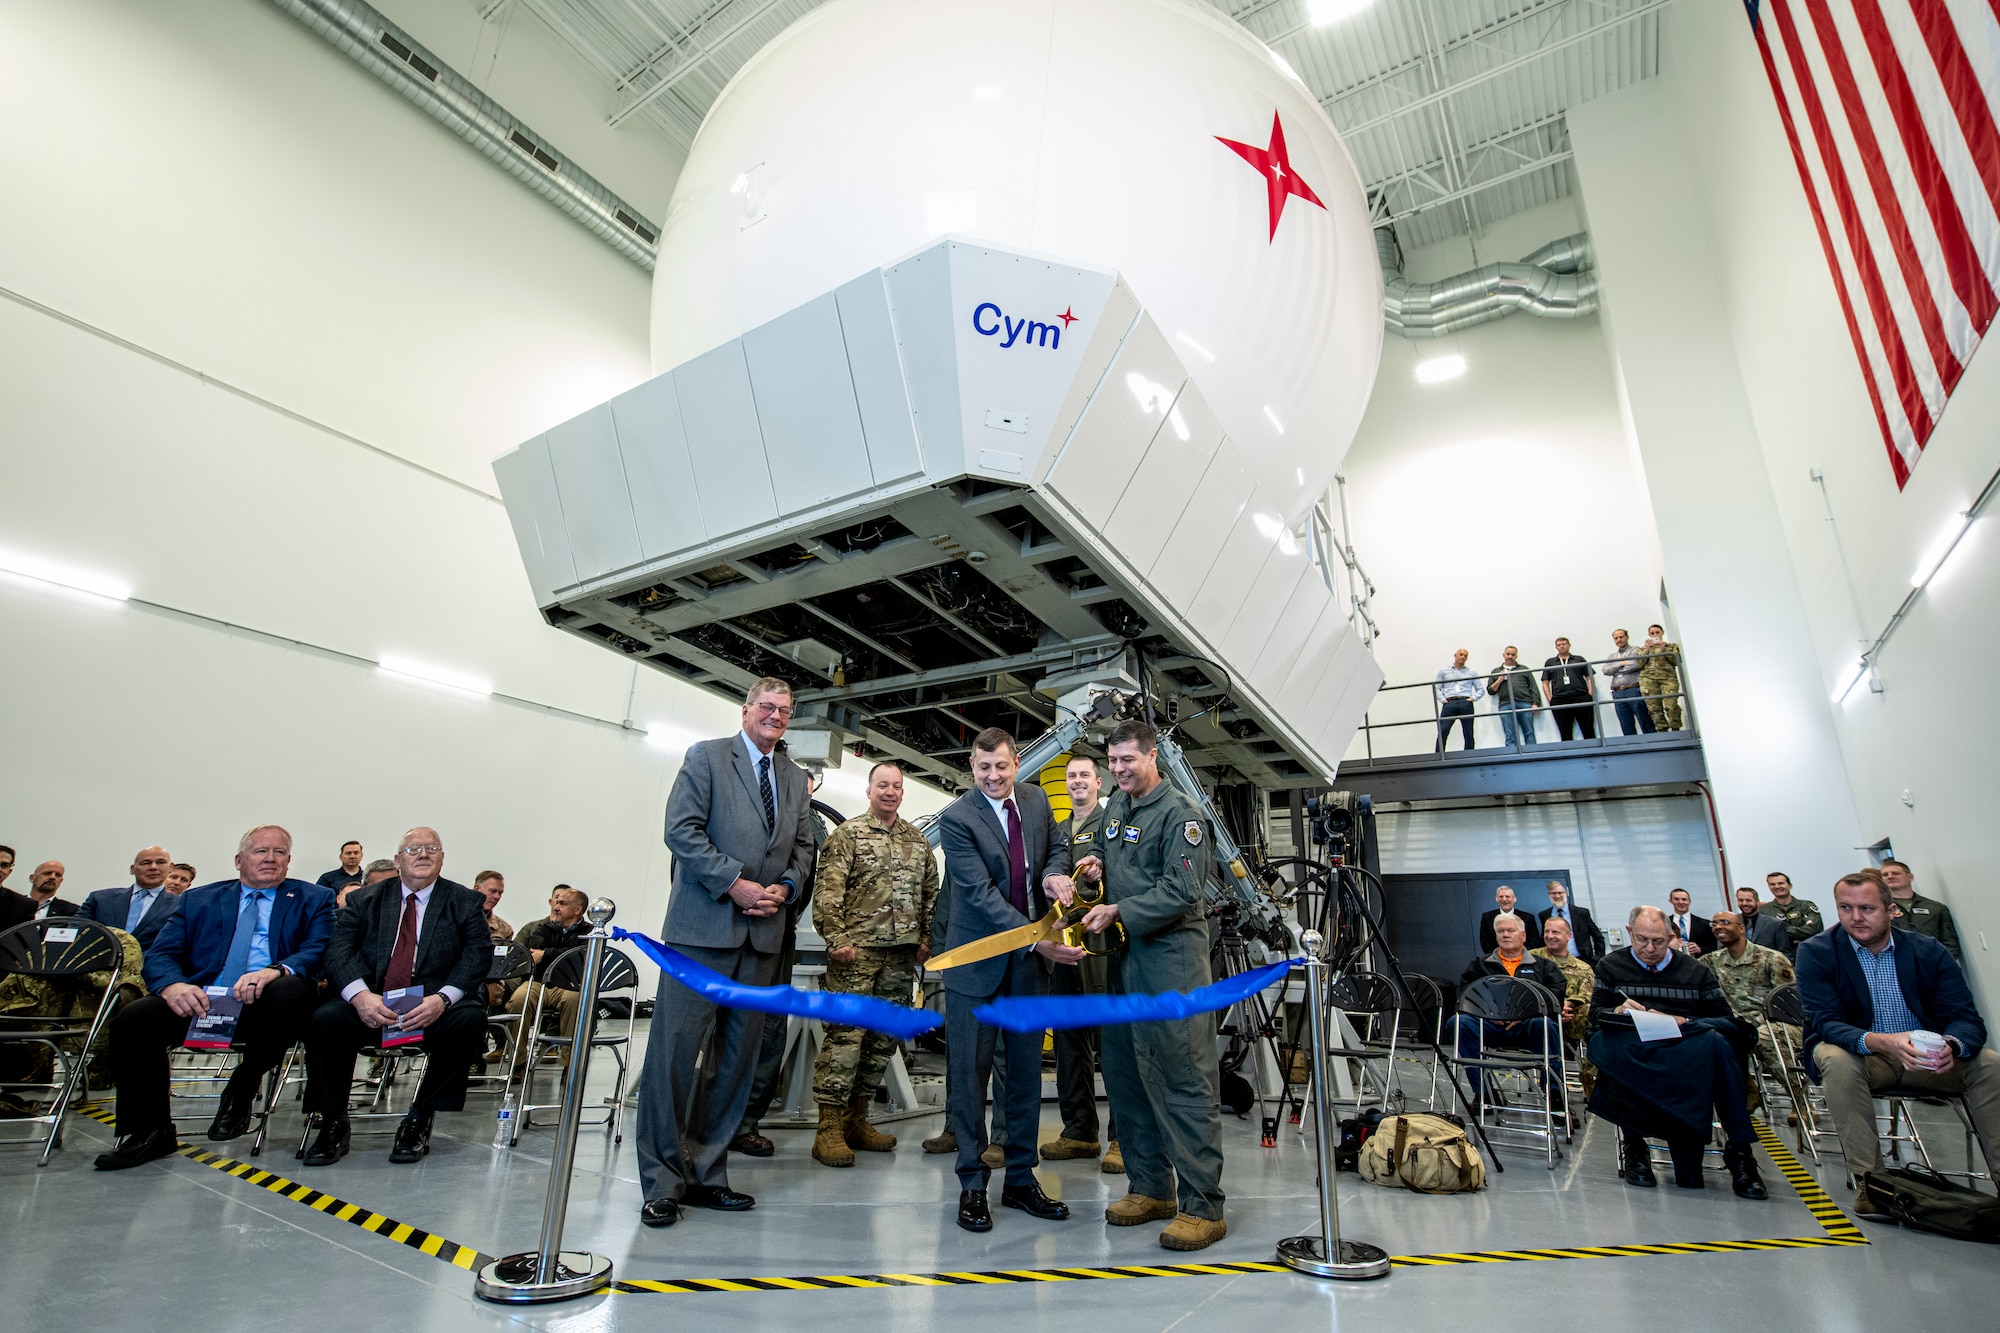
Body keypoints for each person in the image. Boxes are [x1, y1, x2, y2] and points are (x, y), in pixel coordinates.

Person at [635, 677, 815, 1229]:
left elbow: (804, 847)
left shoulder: (792, 778)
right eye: (767, 707)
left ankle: (708, 1173)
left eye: (784, 710)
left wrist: (786, 888)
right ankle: (662, 1182)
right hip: (702, 932)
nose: (775, 716)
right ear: (745, 710)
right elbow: (681, 831)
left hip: (763, 939)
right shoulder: (706, 758)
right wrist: (733, 882)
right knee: (673, 1059)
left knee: (736, 1064)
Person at [93, 825, 332, 1169]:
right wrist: (173, 985)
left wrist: (275, 970)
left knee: (290, 988)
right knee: (134, 1019)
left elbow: (318, 948)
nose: (270, 858)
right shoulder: (200, 898)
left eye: (279, 852)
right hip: (206, 1000)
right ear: (239, 860)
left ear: (289, 861)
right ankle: (150, 1132)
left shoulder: (313, 898)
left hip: (269, 1004)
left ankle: (243, 1086)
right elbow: (162, 953)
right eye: (260, 851)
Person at [1074, 719, 1227, 1252]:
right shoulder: (1117, 806)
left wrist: (1120, 908)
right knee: (1125, 1075)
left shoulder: (1181, 815)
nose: (1118, 770)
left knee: (1183, 1079)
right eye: (1112, 762)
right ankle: (1151, 1189)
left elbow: (1183, 891)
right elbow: (1104, 858)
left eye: (1127, 761)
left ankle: (1203, 1206)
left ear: (1151, 755)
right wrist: (1093, 870)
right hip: (1123, 961)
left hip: (1171, 965)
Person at [937, 726, 1077, 1235]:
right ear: (971, 768)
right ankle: (973, 1184)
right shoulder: (957, 819)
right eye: (982, 768)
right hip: (977, 963)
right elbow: (978, 894)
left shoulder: (1037, 802)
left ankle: (1020, 1179)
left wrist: (1052, 877)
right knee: (969, 1080)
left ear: (1016, 764)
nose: (992, 777)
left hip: (1027, 970)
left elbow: (1058, 847)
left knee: (1022, 1076)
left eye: (1000, 766)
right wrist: (1037, 938)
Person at [1797, 869, 1997, 1218]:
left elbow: (1966, 1018)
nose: (1855, 918)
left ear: (1892, 911)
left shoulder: (1927, 950)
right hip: (1865, 1059)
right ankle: (1870, 1184)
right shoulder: (1817, 952)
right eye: (1845, 908)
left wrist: (1951, 1044)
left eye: (1867, 909)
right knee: (1833, 1057)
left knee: (1990, 1063)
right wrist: (1882, 1041)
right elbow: (1825, 1022)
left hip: (1926, 1060)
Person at [300, 827, 491, 1167]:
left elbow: (476, 955)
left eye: (432, 848)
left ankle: (420, 1117)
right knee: (326, 1019)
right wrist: (361, 997)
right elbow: (339, 953)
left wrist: (442, 1000)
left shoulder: (465, 902)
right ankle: (333, 1122)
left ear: (442, 858)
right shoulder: (365, 899)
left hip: (431, 1006)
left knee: (470, 1019)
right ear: (398, 859)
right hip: (372, 1002)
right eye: (414, 848)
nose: (423, 854)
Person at [807, 761, 937, 1166]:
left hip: (900, 957)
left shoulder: (917, 841)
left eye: (896, 786)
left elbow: (931, 893)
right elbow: (828, 891)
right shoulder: (848, 835)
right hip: (856, 956)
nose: (890, 792)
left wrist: (927, 938)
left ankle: (856, 1120)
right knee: (846, 1038)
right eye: (883, 785)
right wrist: (838, 938)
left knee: (882, 1040)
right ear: (869, 791)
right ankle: (827, 1128)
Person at [1587, 905, 1767, 1198]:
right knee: (1617, 1053)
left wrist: (1685, 1021)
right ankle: (1635, 1147)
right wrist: (1617, 1010)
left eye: (1658, 941)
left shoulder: (1695, 971)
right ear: (1630, 933)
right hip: (1635, 1045)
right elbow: (1595, 1016)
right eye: (1642, 940)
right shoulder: (1610, 966)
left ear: (1671, 936)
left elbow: (1729, 1022)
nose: (1649, 948)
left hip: (1686, 1044)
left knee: (1719, 1046)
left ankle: (1740, 1152)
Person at [1045, 753, 1117, 1166]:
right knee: (1070, 1038)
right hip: (1063, 942)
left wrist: (1097, 873)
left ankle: (1122, 1137)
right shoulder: (1057, 830)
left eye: (1085, 776)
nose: (1077, 782)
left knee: (1112, 1041)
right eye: (1071, 776)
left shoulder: (1108, 827)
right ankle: (1079, 1132)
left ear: (1098, 782)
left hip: (1100, 941)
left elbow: (1117, 872)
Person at [1454, 912, 1570, 1110]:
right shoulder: (1479, 966)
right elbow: (1467, 994)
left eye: (1510, 930)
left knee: (1547, 1025)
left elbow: (1555, 995)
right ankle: (1484, 1093)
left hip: (1528, 1026)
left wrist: (1528, 1013)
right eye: (1500, 931)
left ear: (1523, 935)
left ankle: (1553, 1094)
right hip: (1489, 1025)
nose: (1505, 935)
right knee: (1459, 1023)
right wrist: (1489, 1014)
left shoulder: (1542, 966)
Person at [1699, 909, 1797, 1110]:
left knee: (1762, 1038)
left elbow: (1789, 1003)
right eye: (1715, 924)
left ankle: (1799, 1099)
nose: (1718, 927)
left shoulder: (1771, 958)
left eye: (1725, 922)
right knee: (1710, 1038)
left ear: (1741, 928)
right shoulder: (1711, 961)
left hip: (1774, 1024)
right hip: (1734, 1025)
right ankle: (1748, 1089)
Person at [503, 887, 592, 1073]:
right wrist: (558, 955)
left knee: (575, 1001)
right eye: (556, 902)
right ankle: (518, 1062)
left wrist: (548, 954)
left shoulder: (589, 932)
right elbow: (535, 954)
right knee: (518, 1001)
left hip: (569, 985)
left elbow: (579, 959)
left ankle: (570, 1065)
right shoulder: (542, 928)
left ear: (577, 910)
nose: (556, 907)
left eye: (562, 903)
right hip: (539, 982)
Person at [1532, 917, 1597, 1095]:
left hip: (1572, 1019)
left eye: (1555, 932)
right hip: (1539, 1017)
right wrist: (1554, 1008)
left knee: (1594, 1014)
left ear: (1568, 936)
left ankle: (1590, 1074)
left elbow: (1587, 994)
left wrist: (1566, 1004)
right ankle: (1555, 1092)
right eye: (1547, 931)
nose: (1550, 936)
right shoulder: (1531, 959)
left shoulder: (1583, 968)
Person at [77, 846, 182, 951]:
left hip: (152, 965)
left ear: (171, 868)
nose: (153, 867)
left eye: (161, 862)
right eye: (146, 863)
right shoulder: (100, 899)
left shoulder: (180, 905)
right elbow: (75, 931)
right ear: (133, 869)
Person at [1880, 859, 1961, 961]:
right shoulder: (1881, 909)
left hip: (1932, 965)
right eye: (1885, 875)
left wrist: (1941, 965)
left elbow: (1950, 942)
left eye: (1896, 873)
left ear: (1910, 877)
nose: (1890, 876)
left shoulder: (1935, 907)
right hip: (1897, 965)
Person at [1541, 637, 1597, 741]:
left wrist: (1590, 695)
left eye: (1564, 644)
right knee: (1564, 731)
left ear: (1569, 645)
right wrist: (1551, 700)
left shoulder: (1579, 659)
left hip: (1581, 697)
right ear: (1556, 647)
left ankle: (1594, 754)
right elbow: (1545, 682)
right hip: (1560, 699)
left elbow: (1590, 678)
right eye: (1559, 645)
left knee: (1588, 729)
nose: (1562, 646)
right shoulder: (1550, 662)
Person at [1604, 628, 1657, 736]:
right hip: (1618, 693)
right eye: (1616, 638)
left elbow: (1636, 665)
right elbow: (1606, 670)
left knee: (1644, 718)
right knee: (1625, 722)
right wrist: (1621, 664)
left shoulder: (1635, 650)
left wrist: (1615, 668)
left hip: (1633, 689)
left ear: (1627, 637)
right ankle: (1632, 747)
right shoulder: (1612, 656)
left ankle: (1653, 742)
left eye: (1621, 637)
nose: (1619, 640)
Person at [1486, 645, 1541, 747]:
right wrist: (1499, 679)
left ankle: (1533, 754)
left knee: (1529, 731)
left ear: (1516, 656)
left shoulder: (1524, 669)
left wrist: (1535, 703)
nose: (1510, 657)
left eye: (1513, 655)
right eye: (1508, 654)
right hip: (1505, 705)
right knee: (1509, 734)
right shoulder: (1496, 671)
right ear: (1503, 655)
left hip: (1525, 703)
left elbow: (1533, 687)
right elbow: (1490, 691)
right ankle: (1511, 757)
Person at [1538, 880, 1604, 963]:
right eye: (1554, 893)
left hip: (1581, 959)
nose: (1557, 896)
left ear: (1566, 893)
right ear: (1549, 895)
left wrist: (1598, 958)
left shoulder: (1581, 913)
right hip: (1554, 961)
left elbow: (1598, 937)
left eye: (1560, 893)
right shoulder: (1544, 915)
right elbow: (1543, 938)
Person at [1434, 648, 1481, 752]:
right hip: (1449, 702)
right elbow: (1436, 687)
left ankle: (1469, 755)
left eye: (1465, 655)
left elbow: (1480, 689)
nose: (1463, 657)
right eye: (1461, 654)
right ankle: (1438, 755)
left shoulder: (1472, 672)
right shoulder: (1444, 671)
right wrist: (1443, 699)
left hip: (1466, 702)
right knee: (1443, 730)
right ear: (1455, 655)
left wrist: (1473, 698)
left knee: (1468, 731)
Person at [1638, 625, 1683, 730]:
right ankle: (1662, 730)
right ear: (1649, 635)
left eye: (1657, 632)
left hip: (1668, 679)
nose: (1655, 635)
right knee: (1654, 708)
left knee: (1671, 705)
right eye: (1652, 633)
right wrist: (1647, 650)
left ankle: (1676, 729)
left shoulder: (1671, 647)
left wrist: (1664, 650)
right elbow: (1639, 663)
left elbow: (1676, 661)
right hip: (1648, 680)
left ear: (1662, 633)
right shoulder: (1643, 649)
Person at [1765, 871, 1823, 949]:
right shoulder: (1764, 910)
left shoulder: (1806, 906)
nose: (1777, 886)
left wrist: (1781, 930)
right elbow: (1765, 934)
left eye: (1780, 883)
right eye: (1772, 884)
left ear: (1790, 886)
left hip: (1808, 950)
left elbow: (1814, 929)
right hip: (1779, 954)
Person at [1479, 885, 1543, 953]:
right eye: (1501, 896)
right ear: (1496, 899)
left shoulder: (1528, 917)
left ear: (1514, 899)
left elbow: (1534, 941)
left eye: (1507, 896)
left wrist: (1521, 955)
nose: (1504, 899)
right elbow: (1485, 942)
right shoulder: (1487, 917)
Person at [1734, 887, 1794, 957]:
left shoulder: (1774, 924)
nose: (1744, 903)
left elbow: (1785, 953)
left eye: (1748, 900)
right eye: (1741, 900)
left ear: (1757, 902)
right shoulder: (1731, 923)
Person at [1665, 888, 1715, 956]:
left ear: (1689, 901)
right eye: (1676, 899)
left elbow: (1713, 946)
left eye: (1684, 899)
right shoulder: (1664, 923)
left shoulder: (1705, 924)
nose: (1681, 902)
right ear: (1670, 901)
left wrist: (1700, 949)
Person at [473, 870, 513, 943]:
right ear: (476, 889)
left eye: (500, 893)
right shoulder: (453, 917)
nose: (497, 897)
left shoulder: (504, 929)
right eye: (492, 891)